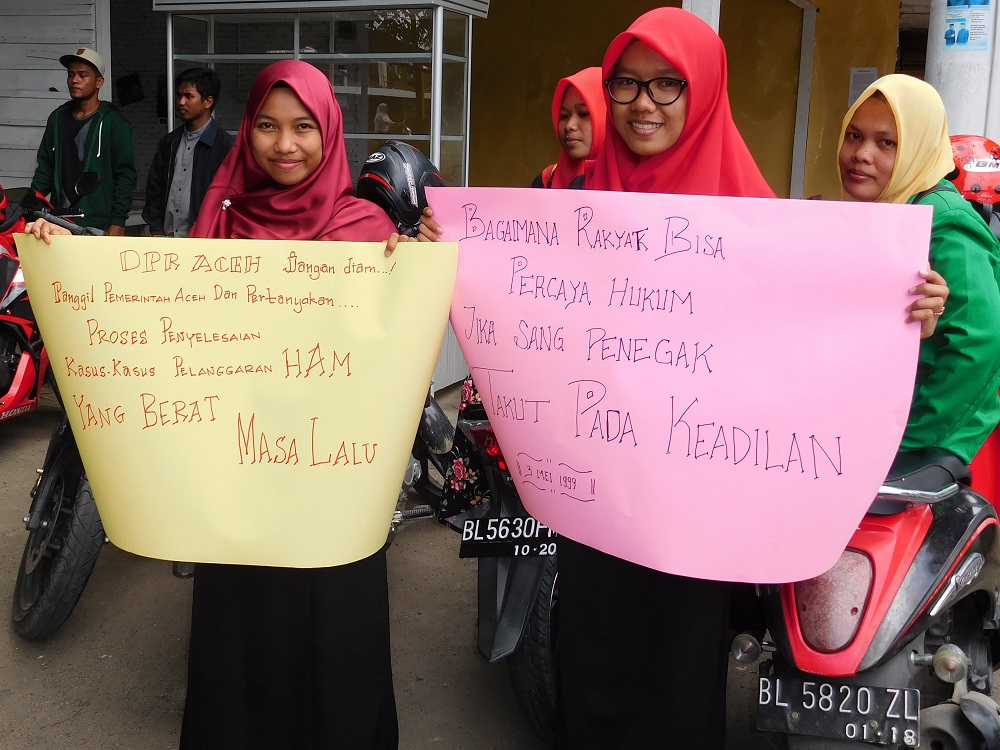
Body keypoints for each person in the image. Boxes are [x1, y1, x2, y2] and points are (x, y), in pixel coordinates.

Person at [393, 9, 948, 748]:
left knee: (679, 683)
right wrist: (447, 248)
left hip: (700, 527)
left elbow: (810, 330)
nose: (643, 102)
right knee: (592, 669)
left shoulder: (754, 217)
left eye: (667, 84)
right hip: (597, 513)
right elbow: (514, 294)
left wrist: (905, 309)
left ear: (704, 93)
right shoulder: (572, 209)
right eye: (625, 82)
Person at [28, 59, 405, 750]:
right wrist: (68, 255)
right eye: (266, 125)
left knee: (335, 646)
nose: (284, 145)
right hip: (240, 486)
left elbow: (398, 340)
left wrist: (416, 264)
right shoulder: (221, 222)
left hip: (332, 486)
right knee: (242, 644)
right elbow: (158, 313)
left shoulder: (366, 227)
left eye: (303, 128)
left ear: (330, 133)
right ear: (247, 129)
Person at [838, 74, 1000, 466]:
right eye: (854, 136)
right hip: (878, 430)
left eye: (887, 142)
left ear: (919, 147)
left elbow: (976, 344)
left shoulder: (944, 221)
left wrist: (913, 441)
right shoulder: (876, 212)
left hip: (933, 440)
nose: (862, 154)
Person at [31, 47, 136, 236]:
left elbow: (125, 176)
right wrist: (29, 205)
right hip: (58, 220)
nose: (74, 80)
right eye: (71, 74)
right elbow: (45, 168)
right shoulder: (57, 118)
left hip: (98, 222)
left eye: (83, 75)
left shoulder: (115, 123)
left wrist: (118, 221)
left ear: (99, 82)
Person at [142, 67, 235, 237]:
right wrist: (156, 230)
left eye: (189, 96)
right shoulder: (169, 143)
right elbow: (154, 191)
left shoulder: (226, 146)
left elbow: (231, 200)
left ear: (208, 102)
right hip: (166, 239)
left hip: (205, 242)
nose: (181, 102)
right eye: (179, 95)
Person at [531, 67, 607, 189]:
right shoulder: (546, 180)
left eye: (583, 114)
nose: (569, 126)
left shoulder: (629, 183)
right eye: (564, 116)